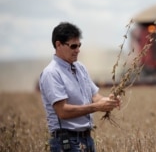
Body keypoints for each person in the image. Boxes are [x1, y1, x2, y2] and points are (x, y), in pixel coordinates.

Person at [39, 22, 120, 152]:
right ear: (58, 45)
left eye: (79, 45)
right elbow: (62, 111)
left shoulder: (80, 67)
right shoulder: (52, 73)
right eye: (73, 46)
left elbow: (94, 96)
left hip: (86, 139)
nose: (77, 50)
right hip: (66, 142)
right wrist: (97, 107)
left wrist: (108, 101)